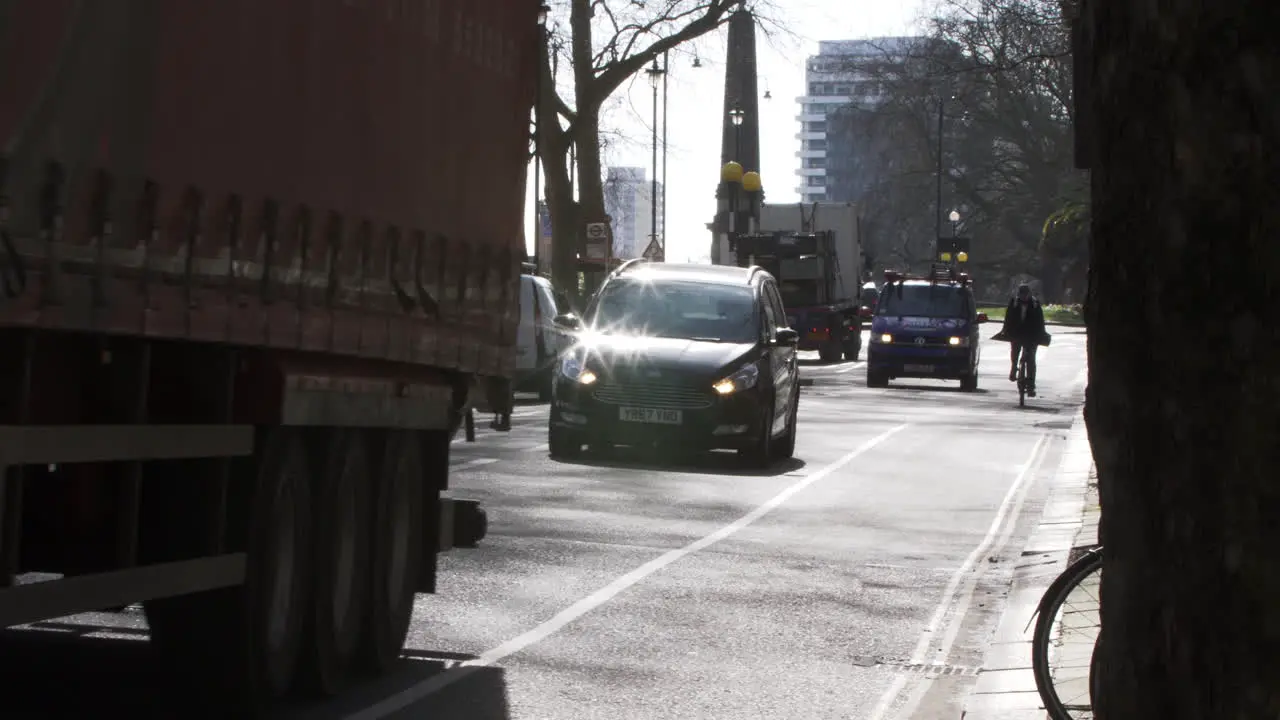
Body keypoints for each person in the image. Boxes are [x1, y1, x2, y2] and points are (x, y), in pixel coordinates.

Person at [1001, 283, 1047, 396]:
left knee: (1030, 359)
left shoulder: (1035, 304)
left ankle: (1031, 386)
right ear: (1019, 294)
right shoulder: (1014, 302)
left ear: (1029, 294)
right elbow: (1008, 318)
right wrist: (1005, 331)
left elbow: (1040, 321)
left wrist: (1041, 335)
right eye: (1022, 294)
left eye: (1026, 294)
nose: (1024, 297)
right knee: (1015, 351)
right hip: (1017, 333)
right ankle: (1014, 368)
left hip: (1031, 335)